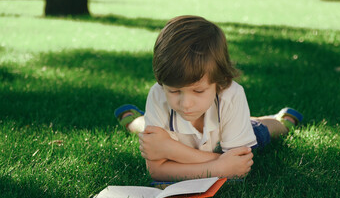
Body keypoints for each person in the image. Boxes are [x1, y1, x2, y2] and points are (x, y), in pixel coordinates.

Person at [114, 15, 303, 181]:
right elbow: (156, 171)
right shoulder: (158, 94)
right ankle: (135, 120)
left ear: (219, 83)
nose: (186, 104)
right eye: (174, 91)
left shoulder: (231, 95)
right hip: (199, 141)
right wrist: (219, 167)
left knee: (260, 131)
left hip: (222, 136)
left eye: (198, 91)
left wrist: (171, 150)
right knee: (146, 130)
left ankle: (281, 121)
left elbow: (240, 163)